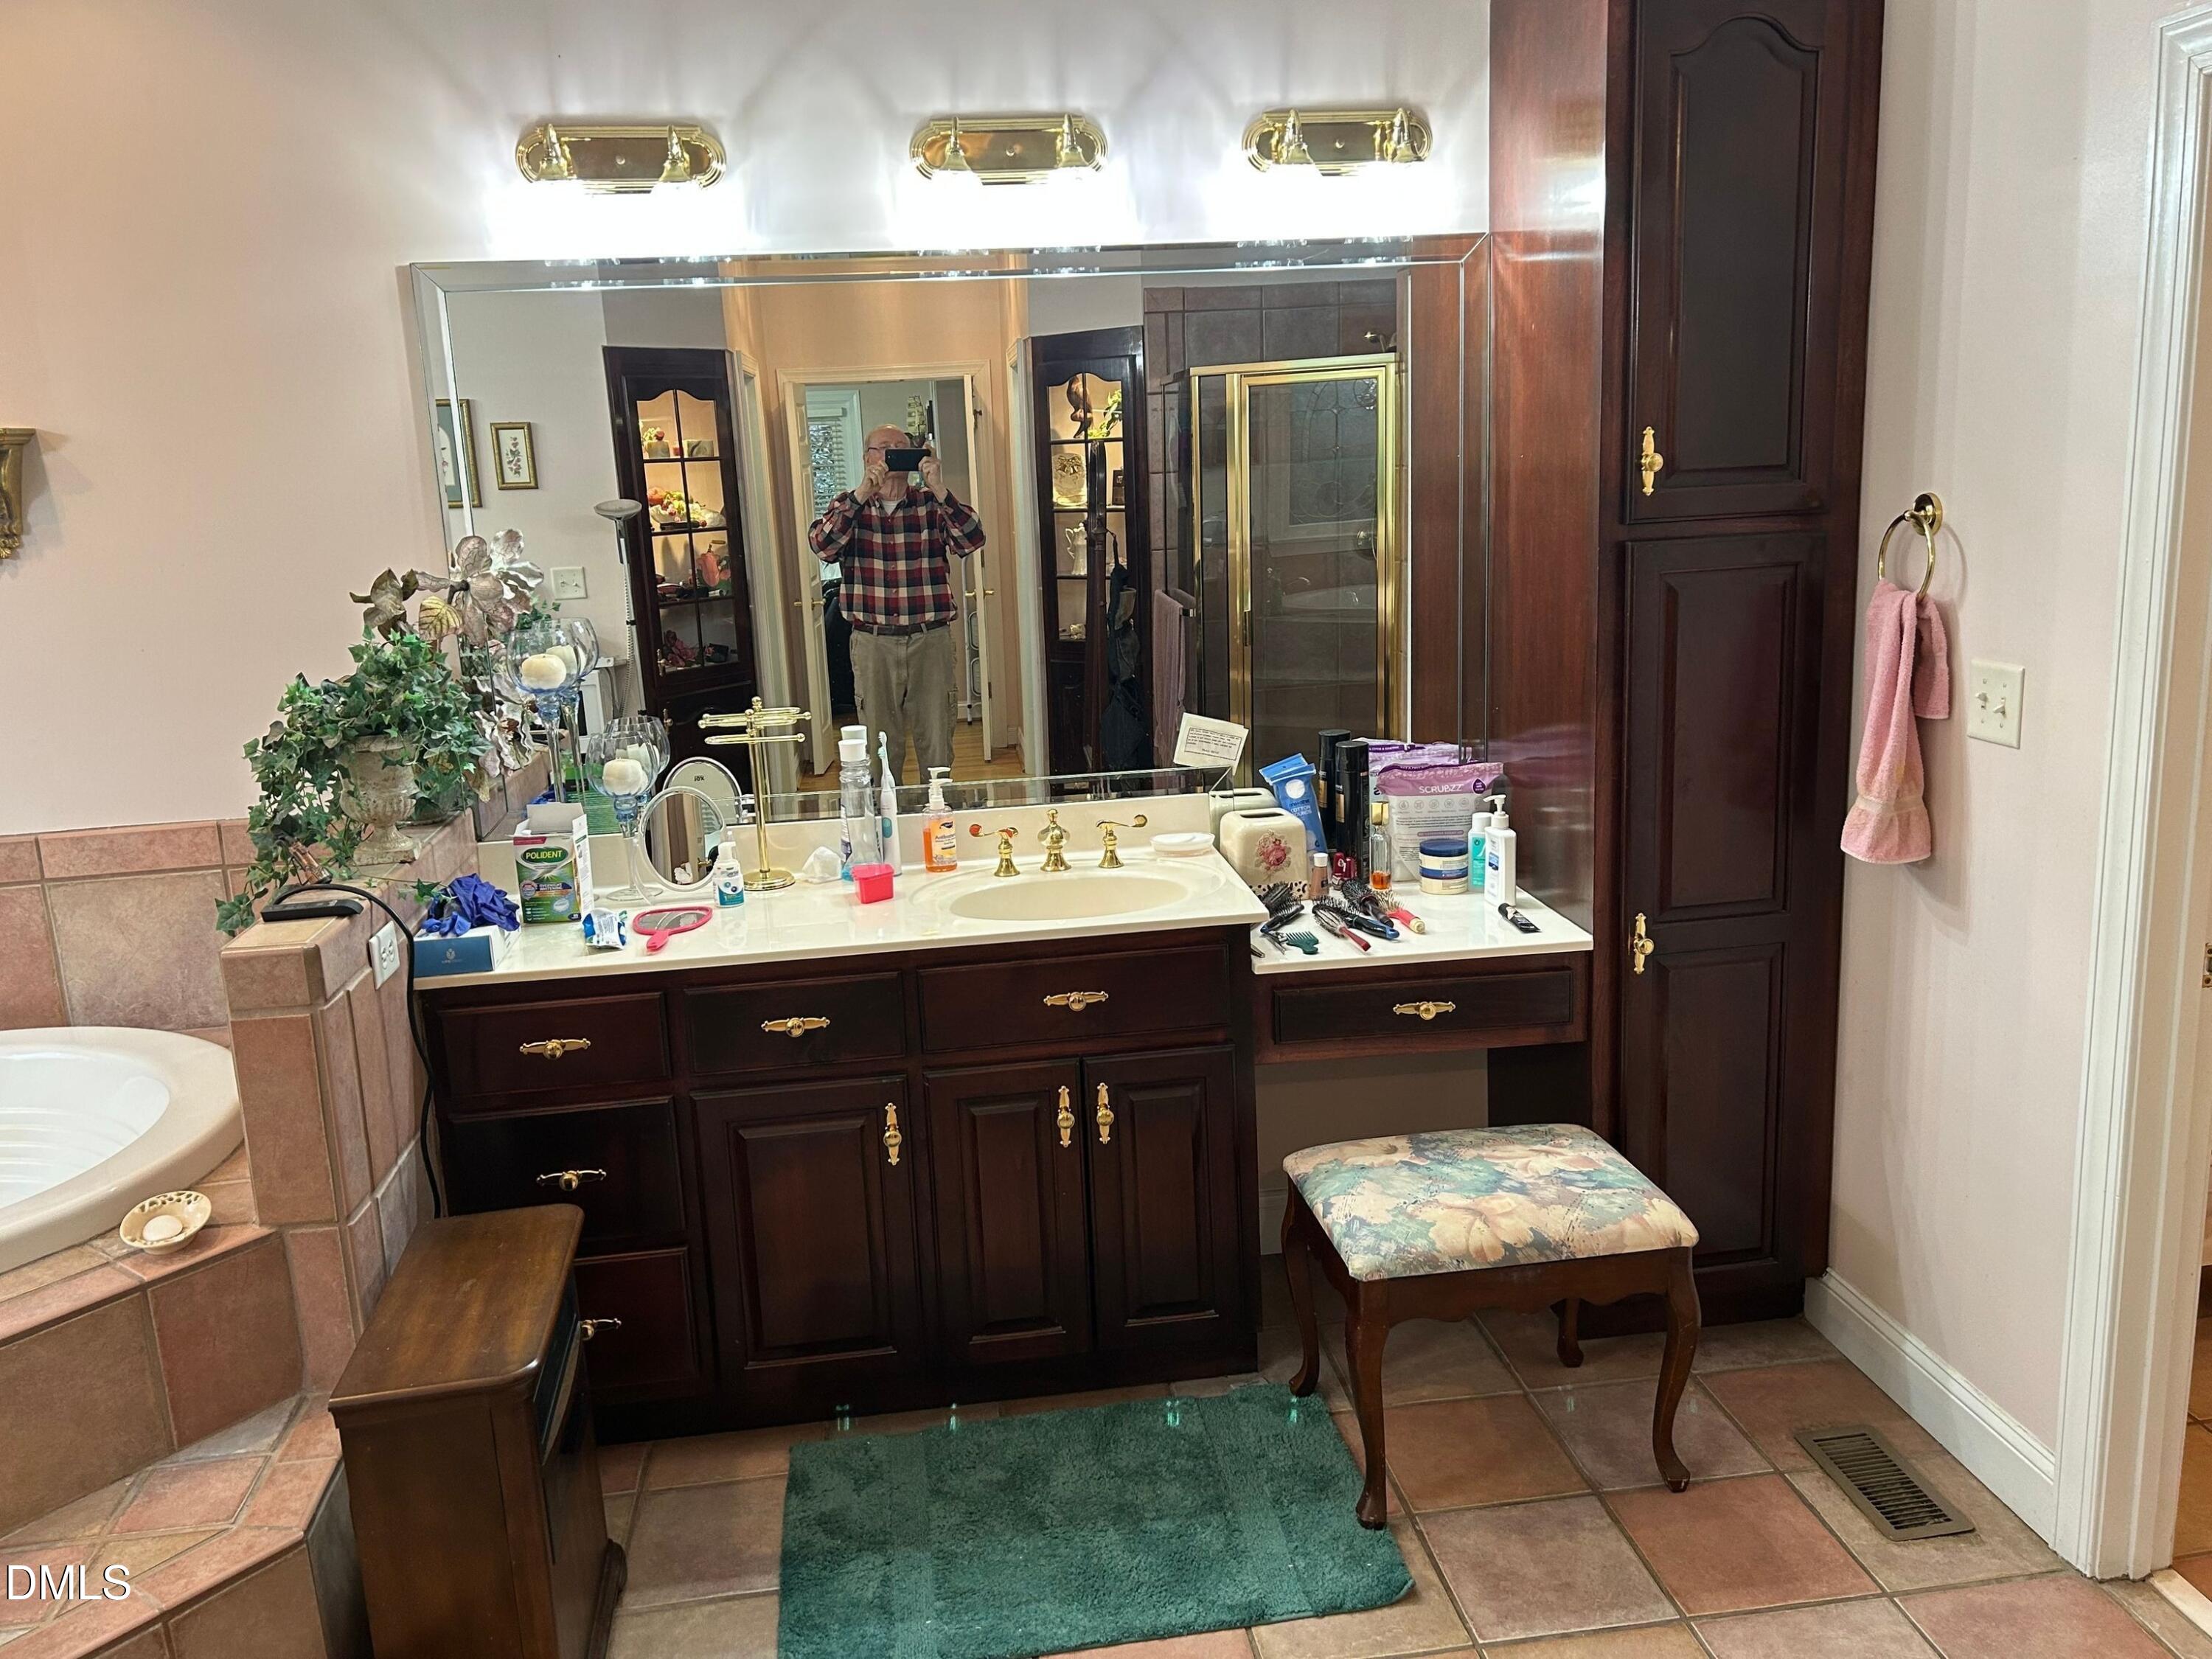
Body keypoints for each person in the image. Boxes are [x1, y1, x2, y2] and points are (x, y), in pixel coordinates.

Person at [808, 427, 986, 780]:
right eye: (884, 448)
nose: (893, 455)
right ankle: (885, 829)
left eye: (902, 448)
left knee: (937, 744)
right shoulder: (848, 504)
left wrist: (940, 488)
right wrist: (862, 494)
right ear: (867, 457)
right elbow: (822, 546)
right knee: (877, 746)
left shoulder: (931, 504)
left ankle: (936, 824)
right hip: (872, 642)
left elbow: (972, 540)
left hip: (929, 640)